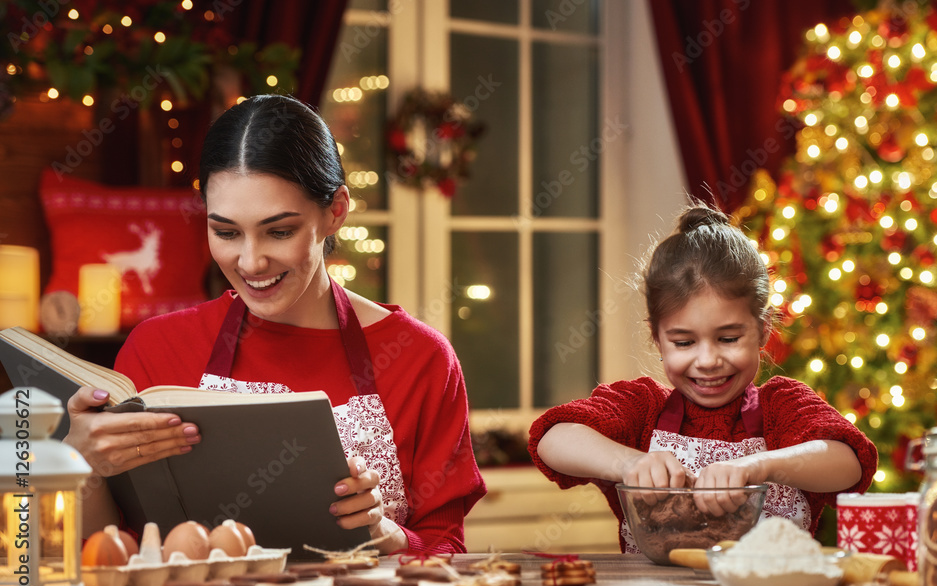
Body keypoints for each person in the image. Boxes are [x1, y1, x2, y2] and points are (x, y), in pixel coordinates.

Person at [63, 94, 486, 554]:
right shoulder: (157, 347)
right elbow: (108, 549)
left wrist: (383, 531)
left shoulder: (419, 357)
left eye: (279, 231)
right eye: (225, 232)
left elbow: (446, 550)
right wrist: (80, 466)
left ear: (335, 211)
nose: (250, 261)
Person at [528, 201, 878, 551]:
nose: (708, 360)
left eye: (728, 339)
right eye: (684, 342)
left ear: (763, 330)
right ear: (657, 338)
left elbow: (848, 462)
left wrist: (757, 467)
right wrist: (630, 462)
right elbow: (553, 439)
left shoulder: (782, 406)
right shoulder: (642, 407)